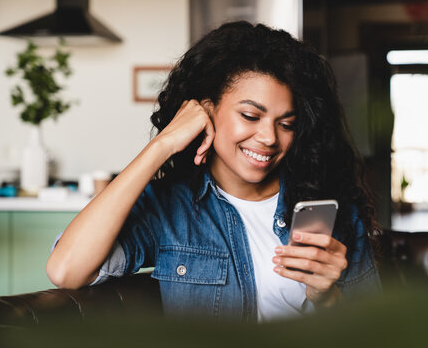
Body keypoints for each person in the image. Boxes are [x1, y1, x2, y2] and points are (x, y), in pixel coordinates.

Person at [46, 21, 381, 322]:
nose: (269, 138)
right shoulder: (171, 209)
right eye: (250, 116)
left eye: (287, 124)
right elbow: (66, 270)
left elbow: (374, 333)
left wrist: (326, 299)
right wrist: (161, 146)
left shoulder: (332, 211)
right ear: (207, 110)